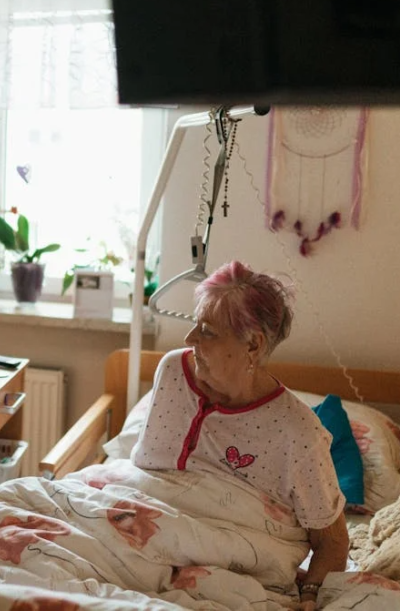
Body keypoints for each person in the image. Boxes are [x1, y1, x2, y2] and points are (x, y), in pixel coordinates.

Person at [131, 260, 348, 610]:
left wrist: (309, 596)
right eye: (194, 324)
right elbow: (146, 479)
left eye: (207, 330)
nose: (189, 339)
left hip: (227, 572)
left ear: (253, 345)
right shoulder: (172, 371)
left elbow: (333, 543)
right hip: (136, 536)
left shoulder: (298, 433)